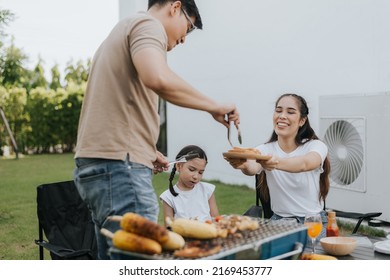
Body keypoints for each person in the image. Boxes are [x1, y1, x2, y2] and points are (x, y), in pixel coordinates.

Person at [73, 0, 239, 260]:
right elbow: (157, 77)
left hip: (100, 166)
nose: (184, 39)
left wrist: (147, 151)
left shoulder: (120, 32)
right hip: (120, 169)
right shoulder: (147, 24)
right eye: (189, 26)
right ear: (175, 7)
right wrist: (213, 106)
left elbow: (120, 105)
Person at [225, 93, 330, 237]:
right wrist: (243, 165)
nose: (282, 116)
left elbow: (306, 163)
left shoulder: (316, 146)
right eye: (278, 110)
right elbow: (253, 167)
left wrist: (274, 162)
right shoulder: (265, 149)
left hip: (312, 222)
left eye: (290, 112)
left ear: (302, 120)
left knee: (310, 258)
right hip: (278, 222)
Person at [160, 145, 219, 225]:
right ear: (178, 166)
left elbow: (216, 221)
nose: (196, 176)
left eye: (200, 172)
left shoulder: (207, 190)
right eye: (192, 170)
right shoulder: (168, 197)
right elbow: (169, 228)